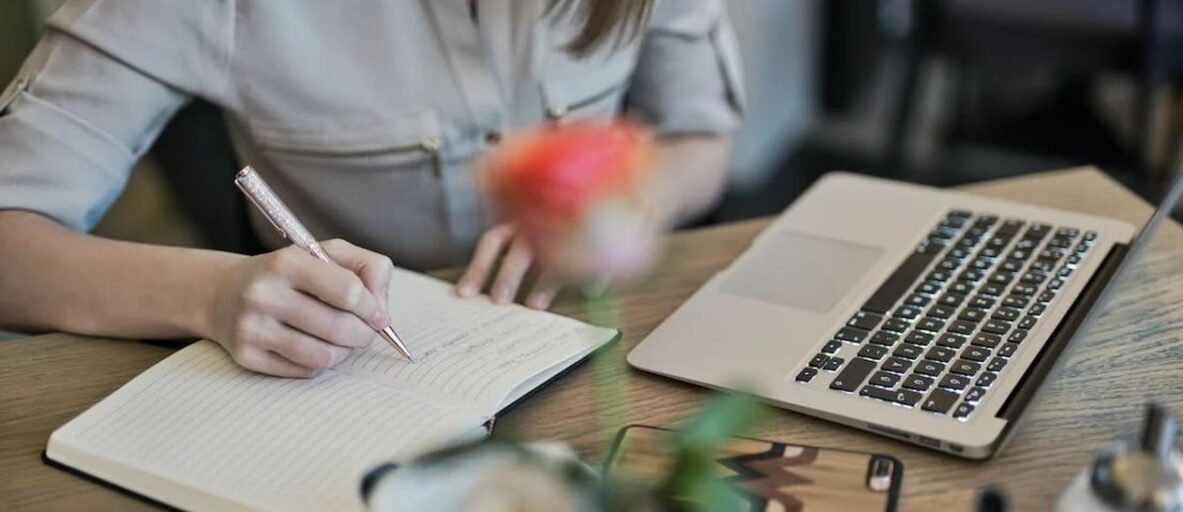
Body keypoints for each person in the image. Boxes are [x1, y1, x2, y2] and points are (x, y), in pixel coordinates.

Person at [0, 0, 744, 377]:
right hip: (345, 378)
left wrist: (630, 206)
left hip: (597, 349)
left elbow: (702, 137)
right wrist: (210, 294)